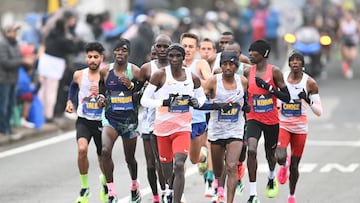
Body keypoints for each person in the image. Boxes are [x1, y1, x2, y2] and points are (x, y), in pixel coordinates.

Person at [140, 43, 206, 203]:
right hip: (162, 130)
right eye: (171, 56)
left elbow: (202, 97)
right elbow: (144, 100)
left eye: (178, 56)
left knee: (179, 164)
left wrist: (196, 102)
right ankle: (169, 190)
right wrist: (163, 102)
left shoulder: (192, 77)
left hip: (183, 128)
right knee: (167, 169)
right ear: (168, 58)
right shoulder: (160, 75)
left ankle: (176, 200)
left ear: (183, 58)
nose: (174, 59)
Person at [243, 39, 290, 203]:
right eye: (249, 52)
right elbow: (243, 92)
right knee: (252, 150)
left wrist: (269, 88)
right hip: (253, 119)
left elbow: (287, 97)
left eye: (253, 53)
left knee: (271, 156)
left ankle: (271, 177)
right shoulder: (248, 72)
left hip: (271, 120)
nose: (250, 55)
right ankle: (253, 193)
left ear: (263, 55)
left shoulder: (275, 72)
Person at [97, 38, 142, 203]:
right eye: (117, 50)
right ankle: (111, 192)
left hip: (129, 121)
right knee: (105, 151)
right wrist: (101, 97)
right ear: (113, 51)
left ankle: (134, 186)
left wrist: (131, 86)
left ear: (128, 53)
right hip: (110, 118)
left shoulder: (135, 71)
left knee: (129, 158)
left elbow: (142, 93)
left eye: (123, 50)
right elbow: (102, 85)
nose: (120, 53)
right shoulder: (105, 71)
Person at [276, 52, 323, 203]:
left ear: (303, 64)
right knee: (280, 156)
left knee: (295, 166)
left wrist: (307, 99)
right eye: (292, 61)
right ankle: (283, 165)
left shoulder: (309, 83)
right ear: (289, 64)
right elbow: (275, 96)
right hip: (283, 124)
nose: (295, 63)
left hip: (300, 128)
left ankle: (291, 195)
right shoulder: (282, 78)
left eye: (298, 61)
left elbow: (319, 112)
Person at [64, 42, 108, 203]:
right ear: (86, 58)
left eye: (96, 57)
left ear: (101, 58)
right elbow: (73, 87)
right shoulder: (79, 74)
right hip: (83, 120)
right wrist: (70, 102)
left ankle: (105, 184)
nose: (92, 60)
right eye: (90, 57)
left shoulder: (106, 75)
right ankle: (85, 188)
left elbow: (114, 95)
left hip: (101, 122)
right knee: (82, 150)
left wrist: (103, 93)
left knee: (102, 157)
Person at [203, 50, 248, 203]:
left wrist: (247, 107)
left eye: (231, 64)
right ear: (221, 65)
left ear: (236, 66)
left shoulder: (242, 81)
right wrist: (215, 104)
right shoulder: (213, 81)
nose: (228, 67)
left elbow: (246, 101)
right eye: (225, 64)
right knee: (218, 169)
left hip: (235, 129)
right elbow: (202, 104)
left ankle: (229, 200)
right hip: (216, 130)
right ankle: (219, 188)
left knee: (231, 165)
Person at [138, 34, 172, 203]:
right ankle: (156, 196)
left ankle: (167, 191)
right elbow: (135, 94)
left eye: (166, 46)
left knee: (163, 162)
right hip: (148, 123)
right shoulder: (146, 69)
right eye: (159, 46)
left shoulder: (176, 68)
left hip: (168, 122)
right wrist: (143, 89)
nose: (162, 50)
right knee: (151, 164)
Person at [180, 32, 214, 198]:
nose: (187, 49)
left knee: (193, 158)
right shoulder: (175, 64)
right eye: (184, 46)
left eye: (191, 46)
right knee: (179, 159)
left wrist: (194, 81)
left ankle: (203, 158)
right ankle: (179, 194)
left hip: (197, 118)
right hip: (178, 118)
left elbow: (210, 81)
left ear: (197, 49)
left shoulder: (200, 64)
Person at [0, 23, 36, 137]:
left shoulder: (15, 44)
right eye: (13, 31)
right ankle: (3, 128)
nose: (15, 34)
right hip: (4, 79)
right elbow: (5, 62)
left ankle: (8, 128)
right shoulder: (3, 44)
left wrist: (26, 60)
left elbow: (18, 58)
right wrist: (21, 61)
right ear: (7, 32)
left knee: (11, 104)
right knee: (3, 104)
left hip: (13, 79)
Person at [337, 10, 359, 79]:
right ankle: (346, 68)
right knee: (346, 56)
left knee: (352, 56)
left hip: (353, 41)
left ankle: (348, 66)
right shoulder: (342, 23)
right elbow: (339, 33)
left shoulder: (355, 23)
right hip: (345, 41)